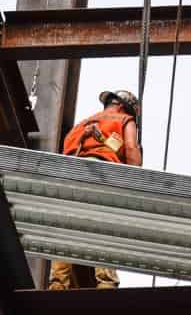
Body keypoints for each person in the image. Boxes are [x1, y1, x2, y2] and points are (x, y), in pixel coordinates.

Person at [48, 89, 143, 290]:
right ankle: (106, 283)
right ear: (122, 106)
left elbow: (67, 151)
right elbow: (131, 149)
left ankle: (58, 283)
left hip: (71, 176)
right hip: (100, 174)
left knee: (68, 229)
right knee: (103, 227)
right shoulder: (124, 119)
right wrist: (137, 182)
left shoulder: (80, 126)